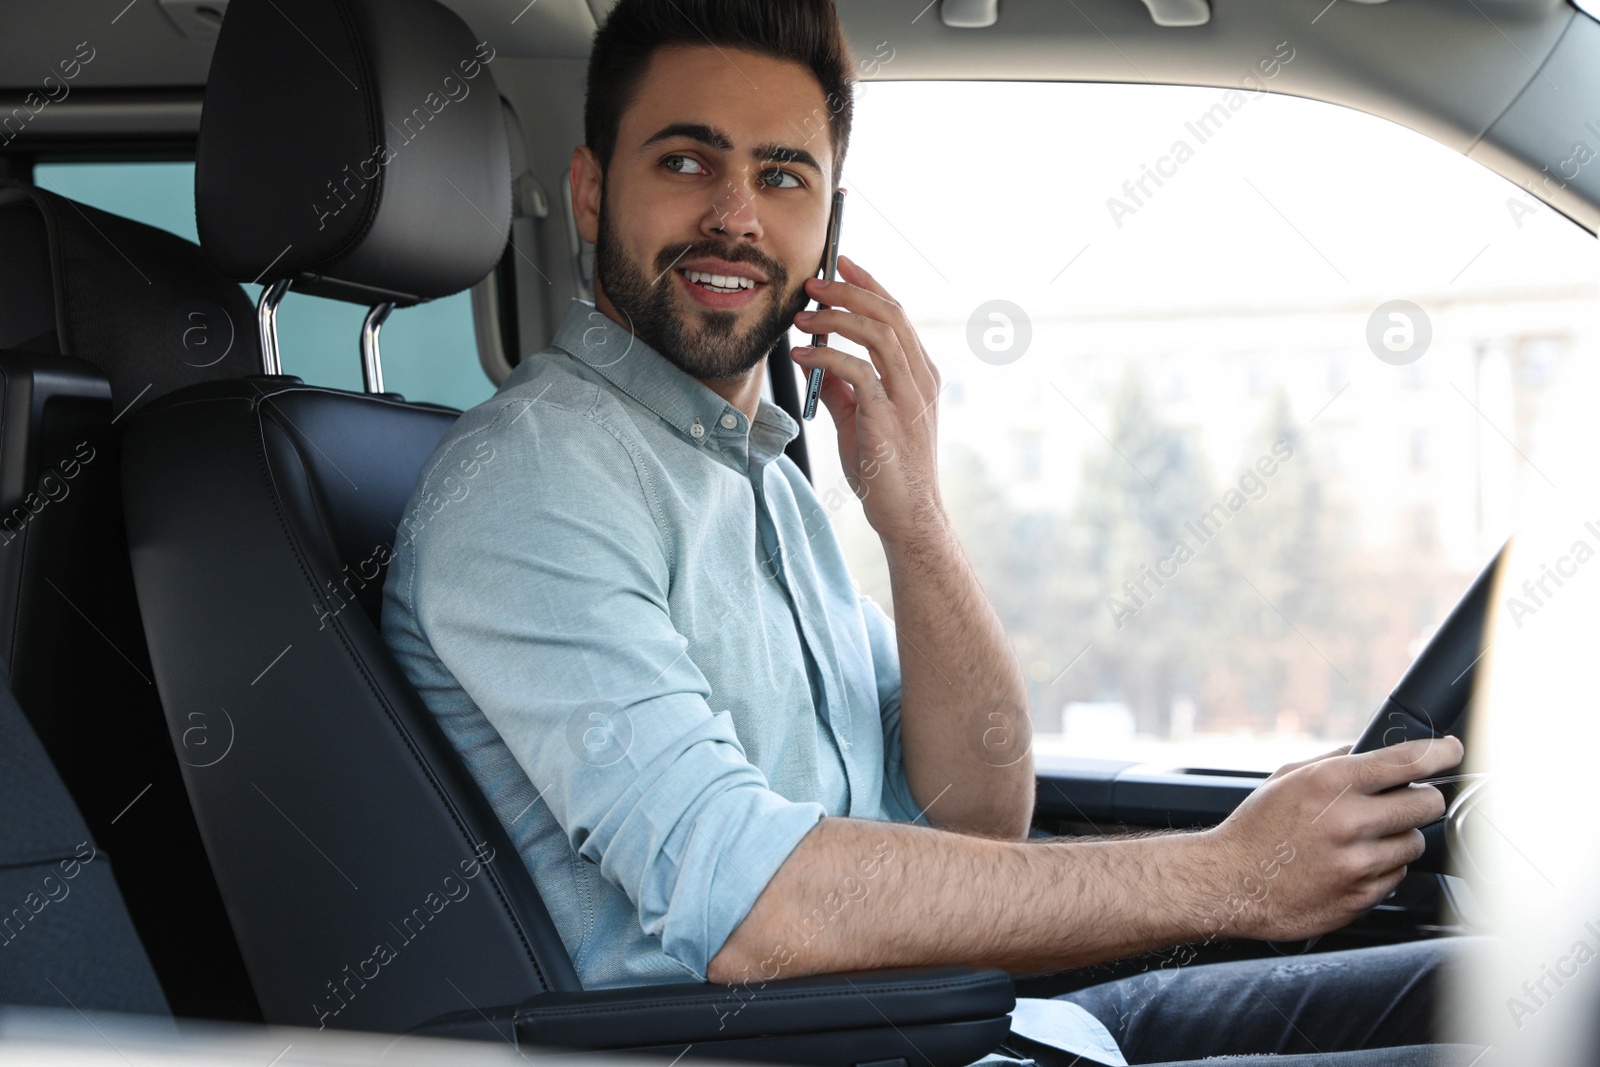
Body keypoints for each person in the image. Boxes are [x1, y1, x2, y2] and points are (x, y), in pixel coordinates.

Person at [380, 1, 1482, 1062]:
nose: (735, 214)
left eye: (782, 174)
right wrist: (1229, 873)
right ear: (588, 191)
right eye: (684, 161)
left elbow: (978, 809)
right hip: (811, 1048)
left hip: (983, 1029)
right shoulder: (537, 481)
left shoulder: (761, 476)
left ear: (829, 223)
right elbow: (751, 909)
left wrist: (913, 520)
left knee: (1504, 986)